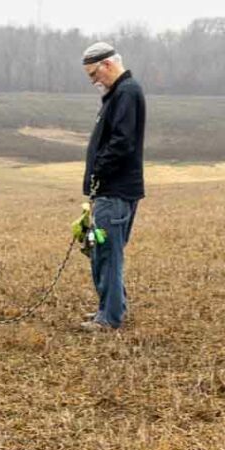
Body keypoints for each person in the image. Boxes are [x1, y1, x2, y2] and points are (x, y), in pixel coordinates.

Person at [79, 42, 145, 332]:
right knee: (102, 251)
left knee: (107, 252)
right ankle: (109, 309)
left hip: (115, 191)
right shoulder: (117, 94)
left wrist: (99, 172)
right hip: (111, 190)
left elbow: (122, 142)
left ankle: (110, 318)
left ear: (107, 65)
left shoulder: (126, 92)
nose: (94, 81)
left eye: (94, 74)